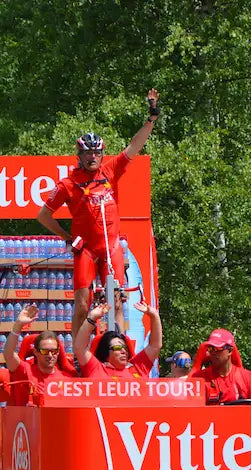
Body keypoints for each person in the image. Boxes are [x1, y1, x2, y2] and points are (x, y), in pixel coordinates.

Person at [36, 89, 160, 337]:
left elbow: (135, 146)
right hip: (86, 250)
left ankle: (117, 348)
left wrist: (152, 118)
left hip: (111, 247)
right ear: (79, 155)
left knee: (116, 301)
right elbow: (43, 215)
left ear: (102, 154)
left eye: (97, 152)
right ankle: (78, 354)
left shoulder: (110, 170)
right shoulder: (68, 184)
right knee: (82, 305)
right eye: (87, 153)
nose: (93, 156)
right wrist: (67, 237)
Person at [75, 301, 163, 380]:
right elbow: (80, 348)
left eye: (124, 347)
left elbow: (155, 346)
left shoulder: (137, 368)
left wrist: (154, 316)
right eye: (117, 347)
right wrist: (91, 318)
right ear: (105, 353)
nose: (123, 351)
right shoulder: (96, 369)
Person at [3, 306, 67, 406]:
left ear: (58, 352)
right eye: (45, 351)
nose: (50, 355)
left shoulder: (65, 380)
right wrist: (18, 325)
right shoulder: (26, 371)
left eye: (53, 351)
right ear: (36, 352)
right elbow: (8, 354)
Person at [188, 328, 251, 404]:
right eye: (211, 349)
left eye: (218, 348)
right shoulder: (199, 379)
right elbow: (191, 411)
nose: (213, 353)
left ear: (230, 351)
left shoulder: (248, 377)